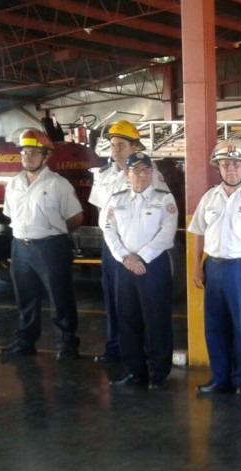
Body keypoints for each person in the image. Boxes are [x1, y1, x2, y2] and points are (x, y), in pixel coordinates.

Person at [189, 139, 241, 395]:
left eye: (236, 164)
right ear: (219, 168)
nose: (232, 169)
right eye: (226, 165)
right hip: (213, 267)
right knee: (214, 326)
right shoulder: (209, 197)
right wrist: (196, 267)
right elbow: (198, 234)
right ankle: (220, 378)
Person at [0, 129, 83, 361]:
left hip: (51, 247)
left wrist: (52, 233)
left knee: (60, 298)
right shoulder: (13, 184)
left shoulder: (59, 184)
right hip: (20, 248)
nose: (28, 156)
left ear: (46, 157)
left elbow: (75, 218)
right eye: (24, 152)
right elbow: (10, 215)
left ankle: (67, 345)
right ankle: (25, 342)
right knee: (25, 298)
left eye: (34, 152)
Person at [89, 120, 166, 364]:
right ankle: (116, 349)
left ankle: (141, 350)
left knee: (141, 303)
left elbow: (161, 211)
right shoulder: (104, 175)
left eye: (121, 145)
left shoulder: (149, 173)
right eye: (112, 145)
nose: (115, 149)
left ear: (134, 147)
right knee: (114, 299)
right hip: (113, 246)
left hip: (139, 248)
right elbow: (102, 211)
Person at [102, 152, 177, 389]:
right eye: (136, 170)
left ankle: (158, 372)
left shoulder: (164, 199)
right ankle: (135, 372)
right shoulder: (117, 198)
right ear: (127, 173)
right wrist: (125, 257)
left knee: (156, 319)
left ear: (152, 173)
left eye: (146, 170)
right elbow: (107, 228)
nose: (142, 175)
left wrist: (140, 258)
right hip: (124, 265)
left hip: (153, 265)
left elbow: (166, 233)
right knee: (127, 319)